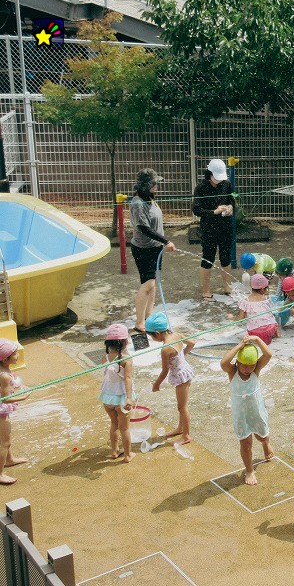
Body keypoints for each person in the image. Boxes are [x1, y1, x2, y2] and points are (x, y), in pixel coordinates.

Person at [220, 336, 275, 485]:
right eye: (244, 365)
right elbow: (224, 362)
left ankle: (265, 444)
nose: (247, 369)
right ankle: (249, 470)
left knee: (262, 436)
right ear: (237, 362)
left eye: (251, 365)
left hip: (256, 412)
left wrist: (257, 339)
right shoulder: (233, 372)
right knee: (246, 444)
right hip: (241, 415)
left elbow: (268, 354)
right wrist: (240, 345)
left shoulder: (255, 371)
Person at [129, 168, 175, 333]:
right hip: (144, 249)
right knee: (147, 284)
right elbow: (144, 228)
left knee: (153, 283)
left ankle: (149, 315)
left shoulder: (150, 199)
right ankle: (139, 322)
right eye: (153, 183)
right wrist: (166, 240)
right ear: (145, 185)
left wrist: (162, 242)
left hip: (155, 248)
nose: (156, 185)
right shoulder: (137, 203)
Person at [146, 312, 196, 444]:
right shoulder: (177, 335)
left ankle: (186, 436)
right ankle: (180, 428)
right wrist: (183, 356)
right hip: (185, 371)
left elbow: (165, 370)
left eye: (151, 336)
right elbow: (192, 343)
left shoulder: (166, 349)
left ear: (157, 333)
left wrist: (156, 384)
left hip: (181, 377)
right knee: (181, 405)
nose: (151, 338)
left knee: (182, 407)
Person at [192, 159, 236, 300]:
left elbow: (232, 200)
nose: (219, 180)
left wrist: (230, 208)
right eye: (216, 176)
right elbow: (196, 209)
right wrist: (214, 212)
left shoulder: (226, 184)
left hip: (225, 226)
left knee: (226, 257)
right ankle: (206, 290)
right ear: (209, 174)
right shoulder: (201, 188)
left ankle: (227, 286)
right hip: (209, 228)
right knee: (208, 258)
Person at [99, 324, 136, 463]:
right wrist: (129, 397)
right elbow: (128, 378)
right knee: (125, 428)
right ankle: (127, 455)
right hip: (121, 398)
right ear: (125, 342)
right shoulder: (126, 359)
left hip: (107, 397)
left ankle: (114, 451)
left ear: (107, 343)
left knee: (114, 424)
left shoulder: (104, 358)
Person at [0, 339, 29, 484]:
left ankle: (10, 459)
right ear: (5, 359)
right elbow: (5, 399)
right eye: (15, 353)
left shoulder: (5, 371)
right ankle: (0, 473)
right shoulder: (4, 375)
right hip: (1, 412)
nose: (17, 355)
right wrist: (22, 397)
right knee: (5, 442)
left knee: (6, 439)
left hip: (2, 411)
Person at [229, 274, 280, 344]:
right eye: (266, 288)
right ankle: (278, 335)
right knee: (273, 319)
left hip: (255, 332)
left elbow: (240, 318)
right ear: (262, 289)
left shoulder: (245, 302)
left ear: (251, 286)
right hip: (270, 329)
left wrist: (232, 318)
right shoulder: (267, 299)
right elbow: (272, 313)